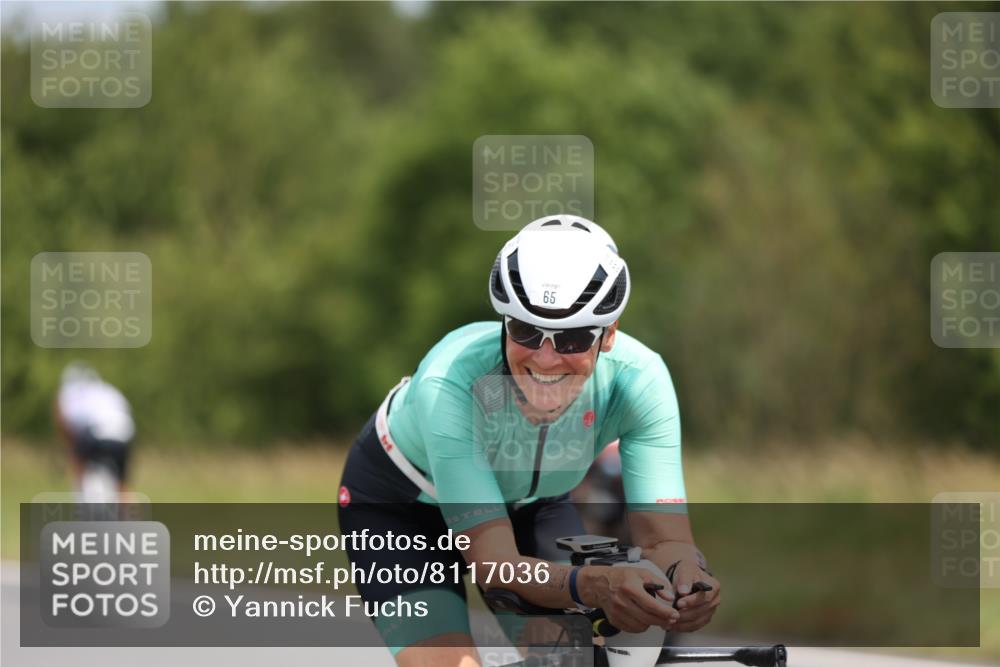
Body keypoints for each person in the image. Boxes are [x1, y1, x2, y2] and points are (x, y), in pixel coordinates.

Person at [338, 216, 720, 667]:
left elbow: (665, 540)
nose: (545, 358)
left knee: (573, 661)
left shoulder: (640, 381)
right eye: (525, 330)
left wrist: (686, 576)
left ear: (609, 334)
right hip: (401, 509)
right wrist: (592, 585)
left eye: (573, 338)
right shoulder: (453, 381)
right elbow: (494, 563)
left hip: (532, 504)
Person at [53, 361, 135, 498]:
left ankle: (82, 499)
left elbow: (63, 423)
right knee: (122, 486)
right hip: (124, 434)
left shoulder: (69, 393)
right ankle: (128, 505)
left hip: (95, 433)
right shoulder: (108, 389)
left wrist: (70, 450)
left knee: (79, 466)